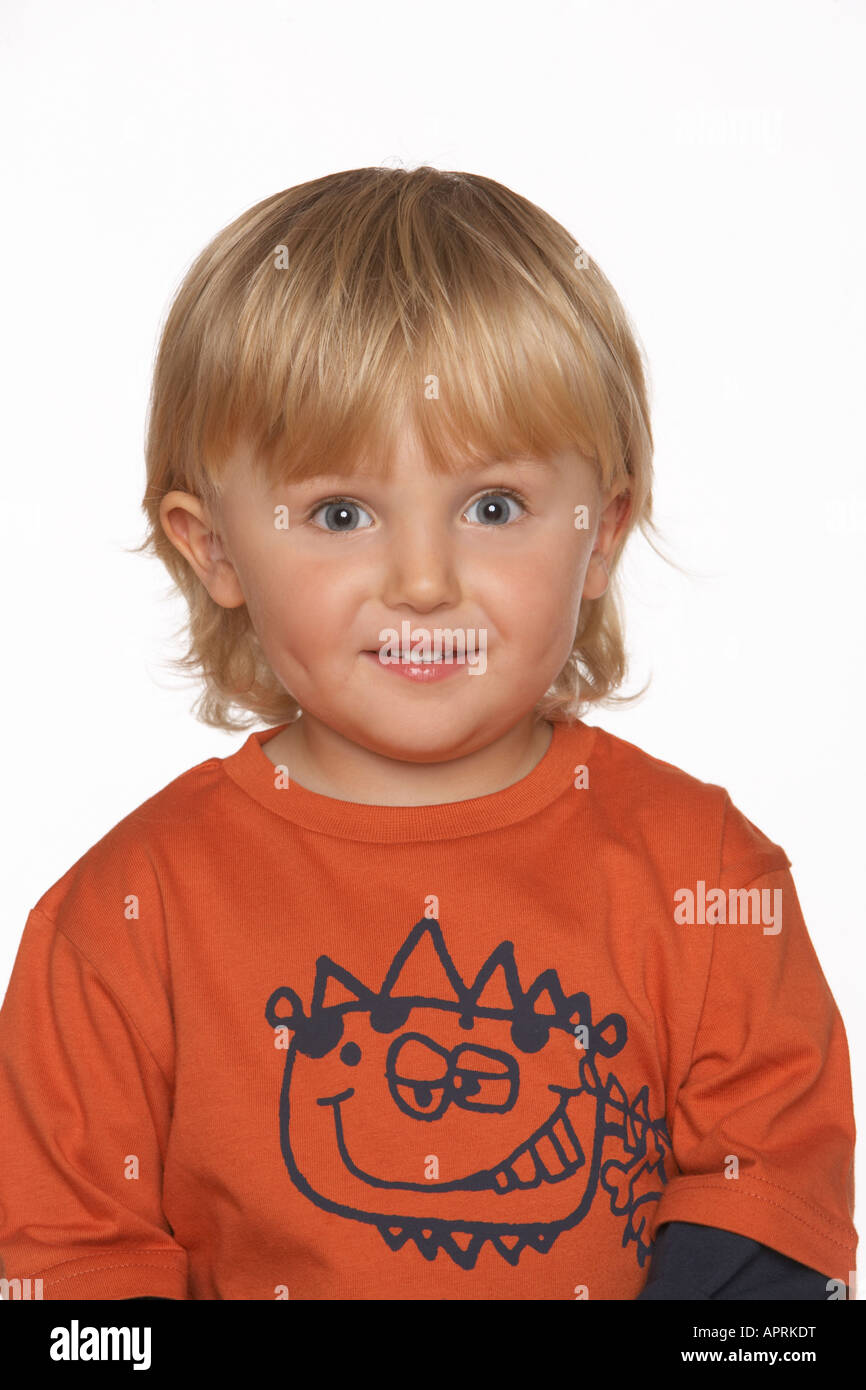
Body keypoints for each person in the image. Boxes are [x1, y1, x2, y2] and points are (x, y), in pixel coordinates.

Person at [0, 166, 856, 1301]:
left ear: (598, 535)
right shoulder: (121, 920)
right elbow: (68, 1281)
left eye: (491, 507)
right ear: (214, 550)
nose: (420, 580)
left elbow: (769, 1241)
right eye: (339, 513)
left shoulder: (705, 878)